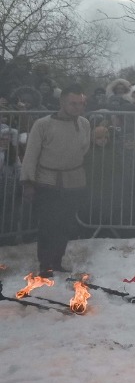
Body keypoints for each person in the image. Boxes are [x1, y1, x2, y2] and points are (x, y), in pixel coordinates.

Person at [20, 85, 91, 274]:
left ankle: (57, 261)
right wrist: (28, 182)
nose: (78, 107)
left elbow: (83, 150)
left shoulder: (84, 123)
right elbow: (31, 154)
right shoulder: (43, 124)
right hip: (47, 182)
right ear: (62, 102)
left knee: (65, 224)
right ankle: (45, 264)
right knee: (47, 224)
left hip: (73, 182)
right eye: (73, 103)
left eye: (81, 104)